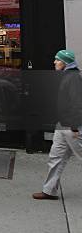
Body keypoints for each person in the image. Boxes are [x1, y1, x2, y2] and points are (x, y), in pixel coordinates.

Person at [33, 49, 82, 200]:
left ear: (65, 62)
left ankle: (49, 190)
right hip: (62, 125)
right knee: (55, 158)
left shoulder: (73, 77)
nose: (54, 62)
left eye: (57, 59)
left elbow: (77, 103)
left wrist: (74, 126)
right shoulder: (66, 75)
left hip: (71, 126)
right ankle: (49, 190)